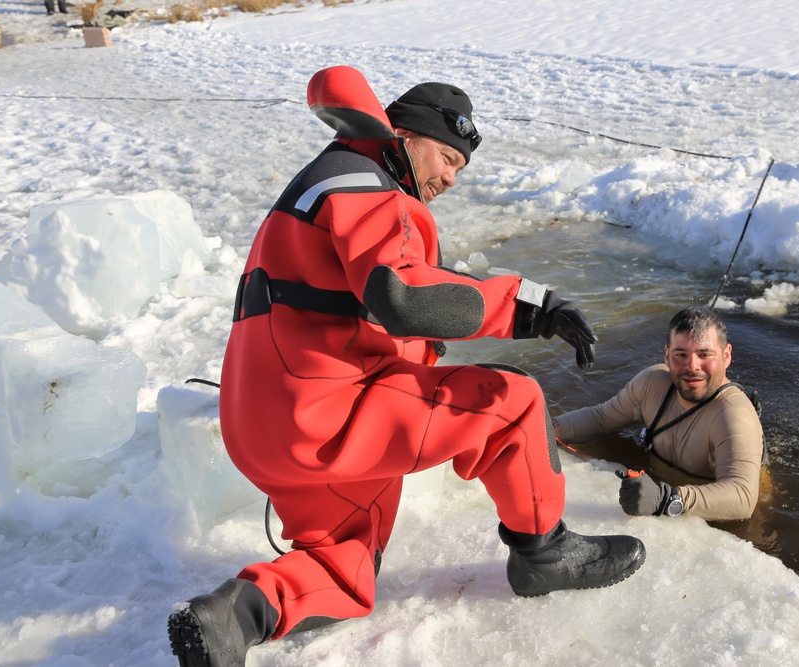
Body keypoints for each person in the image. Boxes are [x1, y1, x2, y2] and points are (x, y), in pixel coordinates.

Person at [166, 65, 644, 667]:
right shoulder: (360, 180)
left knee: (348, 566)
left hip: (266, 426)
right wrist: (531, 306)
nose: (451, 176)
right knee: (513, 400)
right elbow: (402, 296)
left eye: (461, 167)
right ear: (403, 134)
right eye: (447, 156)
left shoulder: (324, 183)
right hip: (326, 414)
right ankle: (544, 555)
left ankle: (234, 616)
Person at [553, 307, 764, 522]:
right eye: (681, 355)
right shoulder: (652, 383)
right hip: (665, 483)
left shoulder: (733, 414)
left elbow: (743, 498)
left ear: (726, 355)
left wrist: (667, 499)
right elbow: (601, 418)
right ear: (667, 355)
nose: (692, 367)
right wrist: (547, 428)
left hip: (717, 505)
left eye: (705, 355)